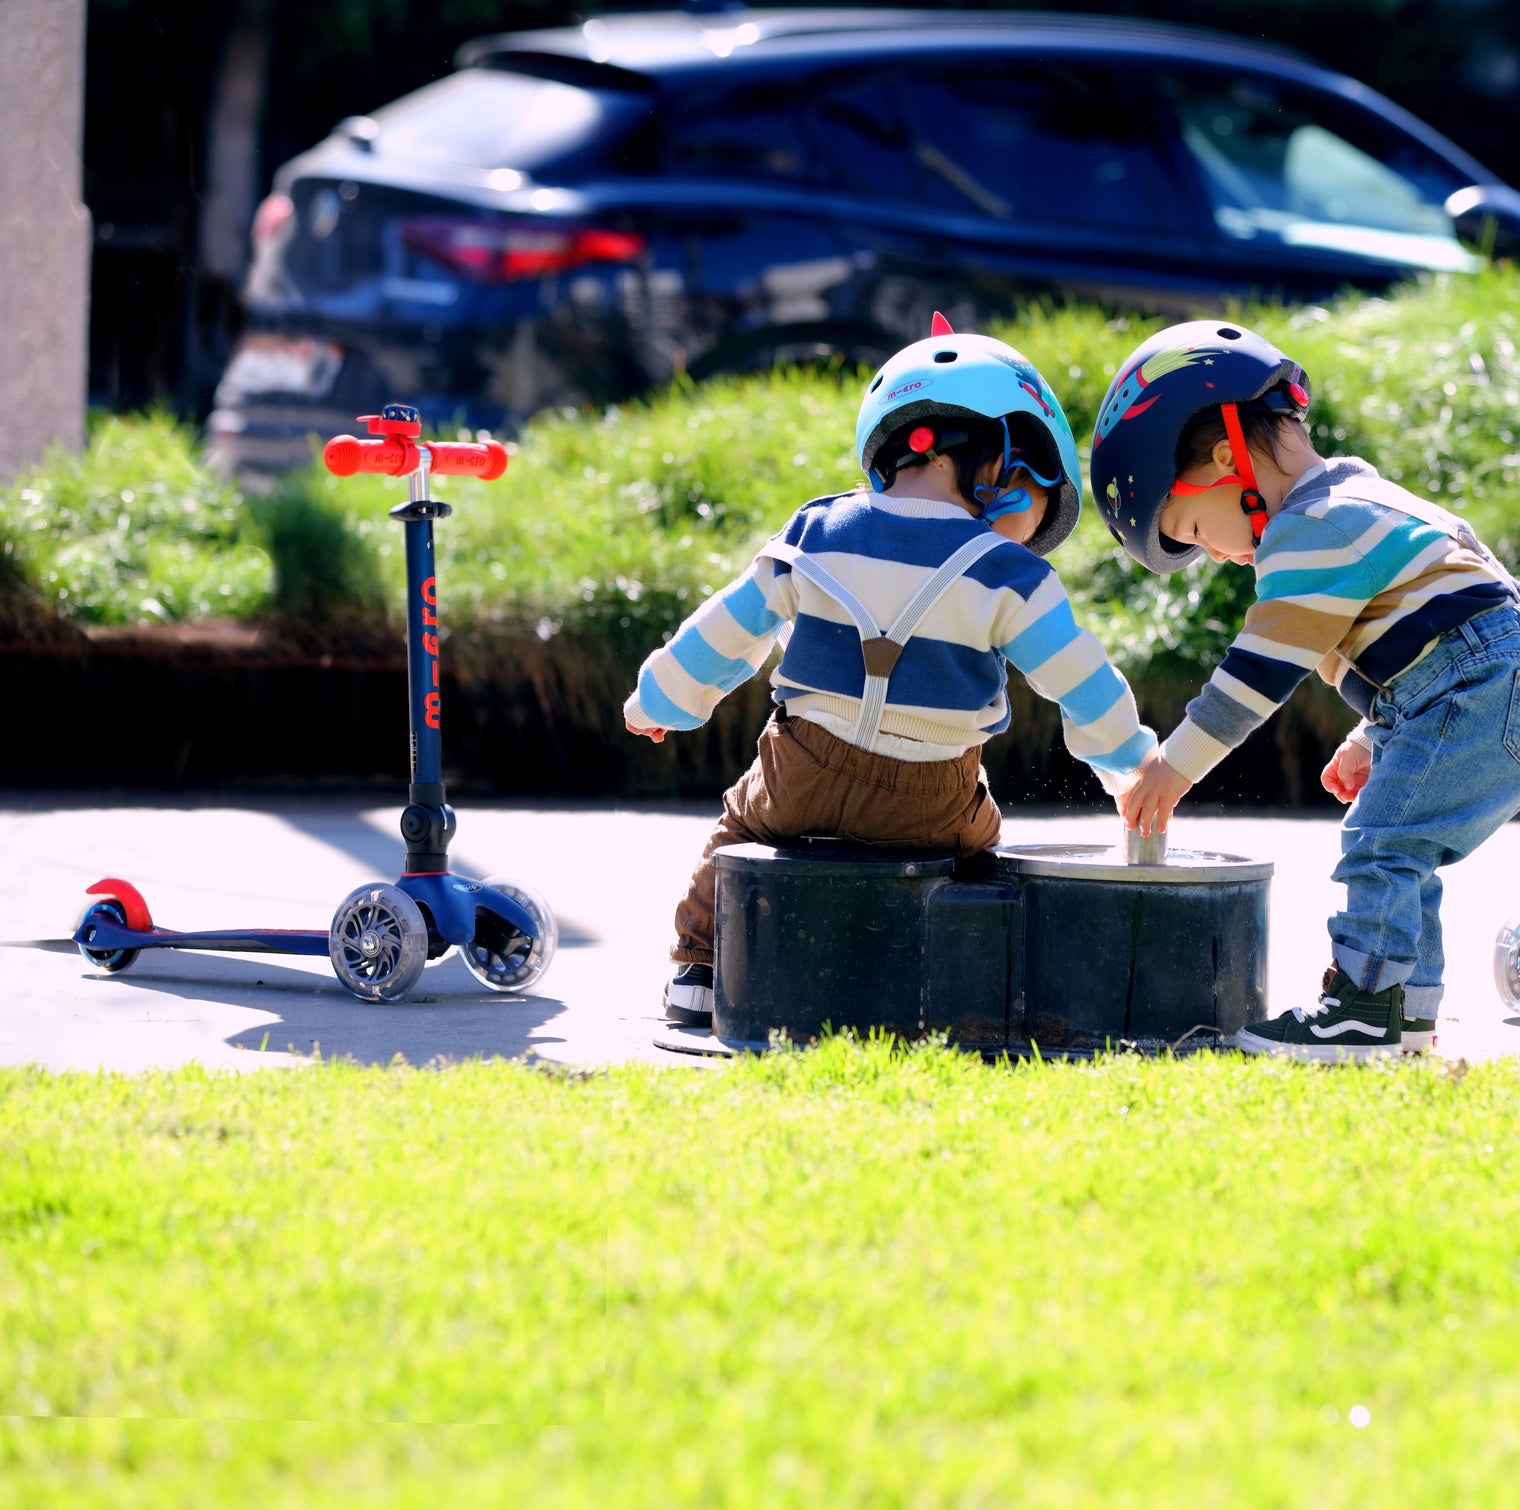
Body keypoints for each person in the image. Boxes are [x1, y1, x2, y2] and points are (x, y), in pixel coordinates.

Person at [626, 316, 1158, 1027]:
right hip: (933, 800)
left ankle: (699, 965)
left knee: (738, 832)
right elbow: (1083, 682)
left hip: (799, 776)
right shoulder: (1010, 575)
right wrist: (1129, 766)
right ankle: (965, 966)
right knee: (981, 851)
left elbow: (727, 631)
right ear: (1002, 458)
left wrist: (659, 700)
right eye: (1035, 503)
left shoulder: (815, 532)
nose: (1029, 532)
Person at [1092, 319, 1520, 1061]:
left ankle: (1359, 1008)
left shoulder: (1309, 528)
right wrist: (1374, 736)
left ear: (1227, 458)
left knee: (1380, 843)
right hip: (1475, 679)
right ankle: (1407, 1010)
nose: (1219, 556)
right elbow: (1447, 618)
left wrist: (1173, 767)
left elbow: (1256, 676)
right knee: (1404, 844)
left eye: (1194, 529)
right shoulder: (1361, 498)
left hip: (1477, 681)